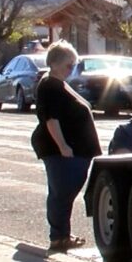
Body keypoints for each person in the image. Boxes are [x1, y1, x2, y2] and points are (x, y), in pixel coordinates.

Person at [31, 41, 101, 251]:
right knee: (61, 193)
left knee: (65, 194)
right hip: (62, 151)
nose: (71, 69)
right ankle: (58, 236)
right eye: (68, 65)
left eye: (74, 65)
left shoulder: (58, 83)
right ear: (54, 63)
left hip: (76, 150)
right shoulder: (49, 85)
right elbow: (51, 119)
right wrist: (63, 146)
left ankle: (63, 234)